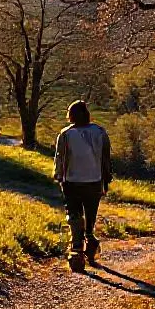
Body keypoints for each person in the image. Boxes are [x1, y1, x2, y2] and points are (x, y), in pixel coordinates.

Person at [53, 100, 111, 273]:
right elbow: (106, 159)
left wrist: (59, 178)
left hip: (72, 182)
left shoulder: (66, 134)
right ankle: (90, 242)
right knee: (90, 216)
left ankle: (77, 248)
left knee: (74, 215)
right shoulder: (100, 132)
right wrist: (106, 181)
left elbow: (60, 158)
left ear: (71, 115)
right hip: (94, 181)